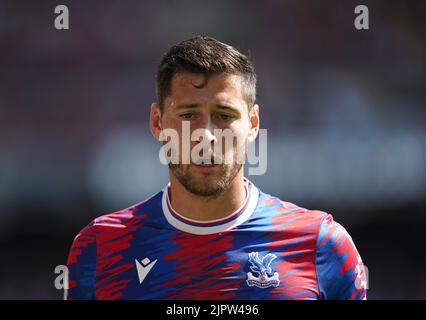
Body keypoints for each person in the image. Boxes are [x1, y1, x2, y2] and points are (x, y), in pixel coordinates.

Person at [66, 36, 367, 300]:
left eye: (224, 116)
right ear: (158, 122)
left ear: (252, 124)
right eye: (188, 115)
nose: (206, 135)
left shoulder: (320, 244)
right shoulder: (101, 247)